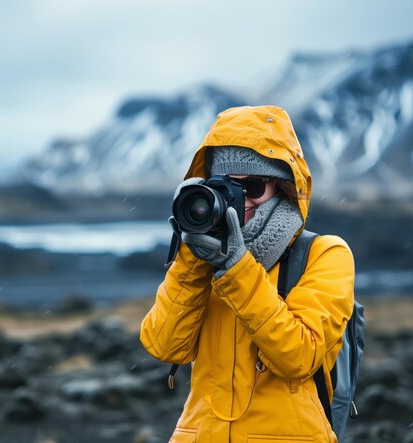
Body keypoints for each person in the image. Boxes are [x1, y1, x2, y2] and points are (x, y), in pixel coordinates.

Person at [140, 105, 355, 442]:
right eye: (224, 187)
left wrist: (237, 267)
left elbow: (299, 357)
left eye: (251, 187)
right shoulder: (203, 257)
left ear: (282, 187)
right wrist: (192, 261)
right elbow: (164, 346)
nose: (237, 201)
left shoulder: (324, 253)